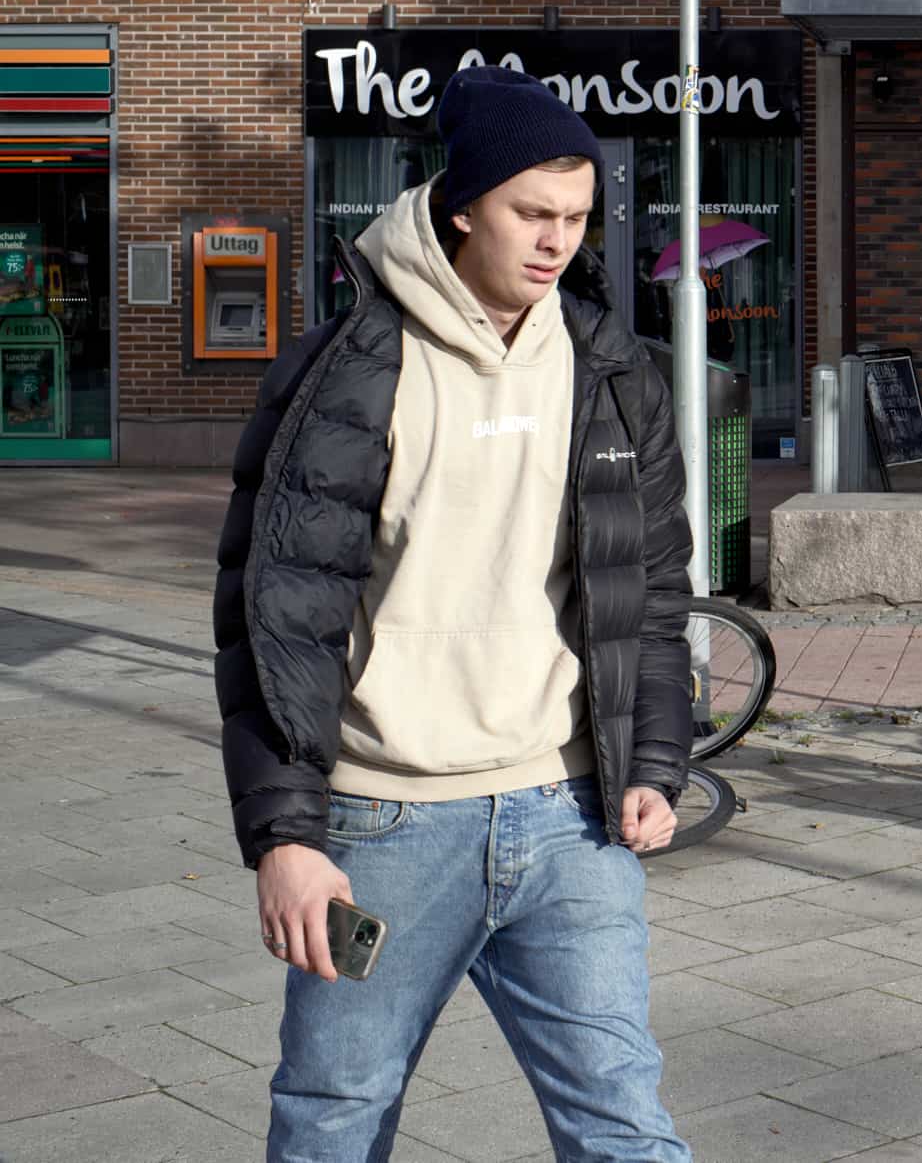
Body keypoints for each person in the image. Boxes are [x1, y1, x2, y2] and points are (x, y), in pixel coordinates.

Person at [213, 66, 693, 1161]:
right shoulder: (344, 371)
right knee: (333, 1117)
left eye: (577, 217)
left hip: (571, 817)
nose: (557, 240)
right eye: (533, 212)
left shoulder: (612, 369)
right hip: (383, 825)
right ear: (465, 203)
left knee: (625, 1125)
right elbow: (272, 618)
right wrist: (286, 837)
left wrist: (657, 763)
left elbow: (652, 590)